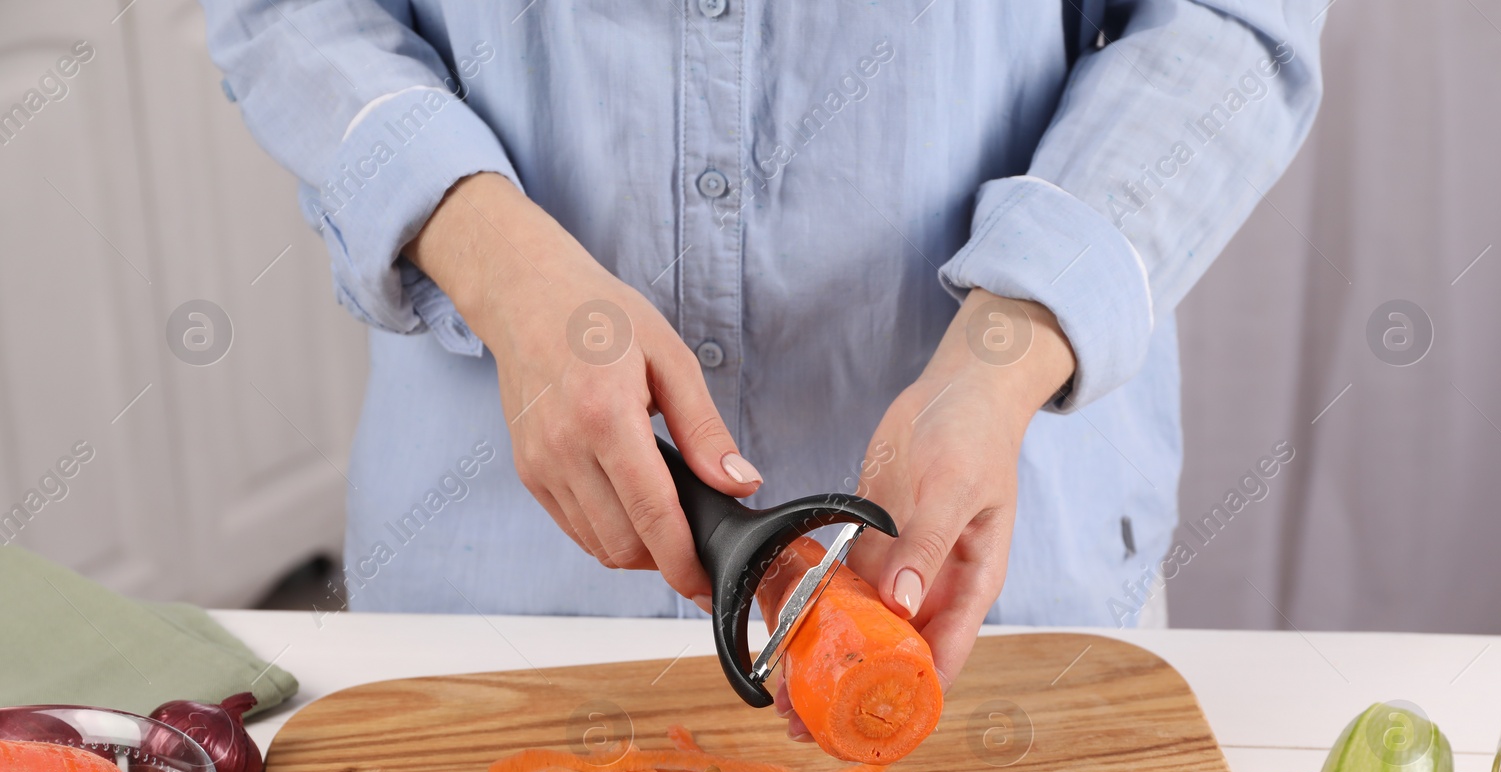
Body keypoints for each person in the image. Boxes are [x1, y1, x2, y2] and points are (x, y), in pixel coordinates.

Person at [202, 2, 1322, 706]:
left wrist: (1007, 346)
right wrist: (491, 257)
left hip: (986, 570)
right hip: (492, 560)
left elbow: (1226, 22)